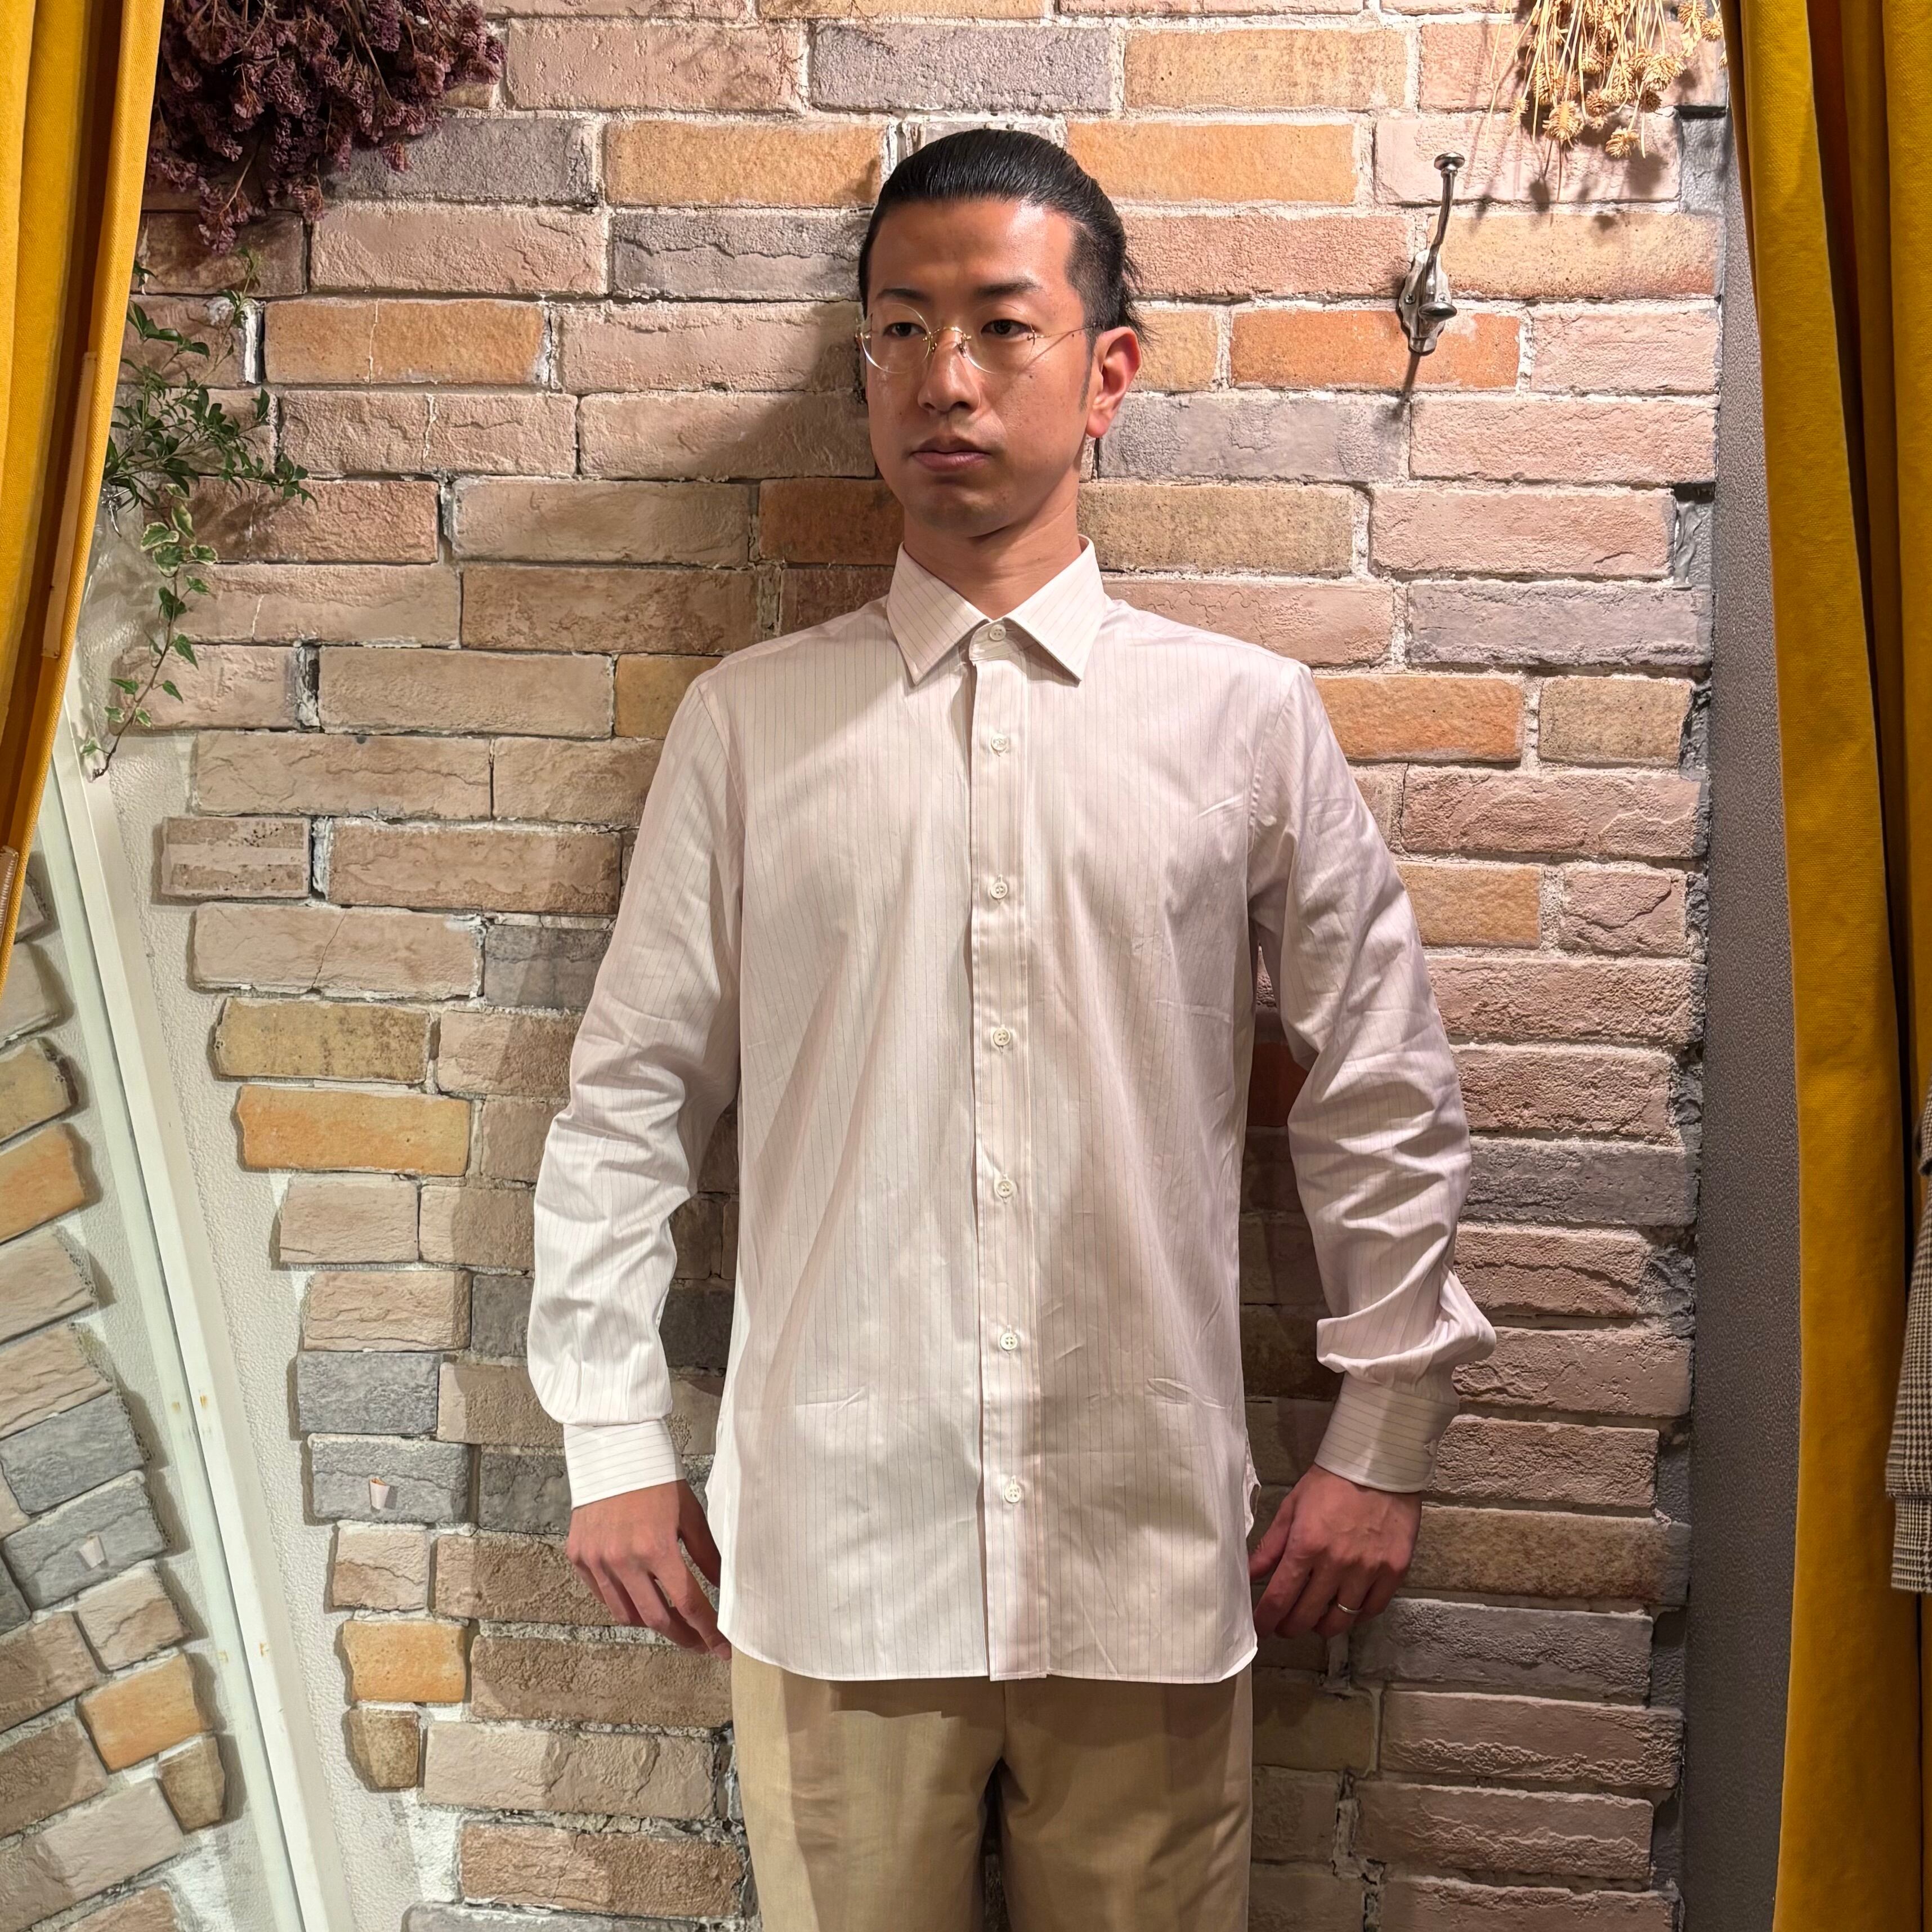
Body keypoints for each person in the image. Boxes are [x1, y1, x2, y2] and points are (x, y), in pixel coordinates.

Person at [527, 126, 1496, 1932]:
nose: (942, 379)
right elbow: (631, 1098)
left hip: (1147, 1554)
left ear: (1107, 371)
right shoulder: (749, 728)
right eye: (899, 331)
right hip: (836, 1554)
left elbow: (1380, 1085)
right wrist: (610, 1436)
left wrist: (1387, 1432)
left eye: (997, 325)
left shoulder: (1242, 723)